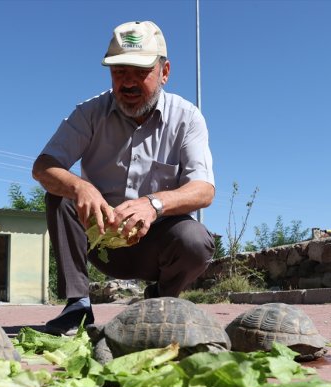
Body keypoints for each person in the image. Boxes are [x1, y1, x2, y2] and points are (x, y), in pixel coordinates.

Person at [32, 20, 216, 335]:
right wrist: (81, 187)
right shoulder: (89, 113)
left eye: (140, 72)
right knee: (61, 195)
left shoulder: (187, 118)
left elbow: (203, 190)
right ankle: (77, 306)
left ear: (165, 72)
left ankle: (160, 301)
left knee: (195, 240)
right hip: (100, 240)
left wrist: (153, 204)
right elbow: (44, 166)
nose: (127, 83)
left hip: (155, 247)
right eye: (119, 72)